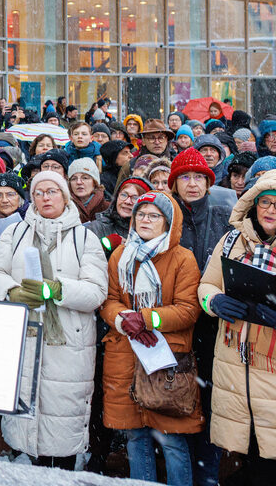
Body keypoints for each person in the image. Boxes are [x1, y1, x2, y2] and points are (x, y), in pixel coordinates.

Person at [0, 170, 109, 469]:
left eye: (52, 191)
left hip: (69, 343)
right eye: (39, 193)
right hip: (24, 336)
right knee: (27, 426)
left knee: (63, 422)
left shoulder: (84, 237)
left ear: (65, 197)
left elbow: (96, 292)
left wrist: (59, 289)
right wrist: (11, 292)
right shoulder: (15, 233)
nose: (45, 198)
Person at [100, 191, 202, 486]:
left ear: (167, 223)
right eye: (140, 214)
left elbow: (187, 310)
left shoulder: (183, 258)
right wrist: (124, 320)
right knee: (135, 437)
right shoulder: (120, 256)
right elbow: (108, 300)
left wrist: (147, 319)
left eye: (153, 215)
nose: (145, 220)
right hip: (125, 356)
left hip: (164, 358)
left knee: (172, 441)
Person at [197, 172, 276, 482]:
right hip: (234, 368)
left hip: (270, 375)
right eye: (265, 202)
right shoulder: (231, 240)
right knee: (234, 464)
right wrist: (214, 302)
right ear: (253, 205)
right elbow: (207, 285)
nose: (271, 210)